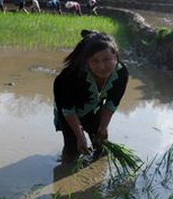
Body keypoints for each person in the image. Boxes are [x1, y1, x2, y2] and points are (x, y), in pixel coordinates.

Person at [53, 30, 129, 161]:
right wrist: (80, 136)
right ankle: (64, 171)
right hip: (68, 113)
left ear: (116, 57)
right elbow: (67, 109)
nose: (102, 66)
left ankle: (98, 173)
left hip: (93, 109)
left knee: (101, 146)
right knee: (72, 148)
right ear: (87, 62)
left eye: (107, 59)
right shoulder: (71, 75)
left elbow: (112, 102)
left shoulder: (121, 73)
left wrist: (103, 126)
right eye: (95, 61)